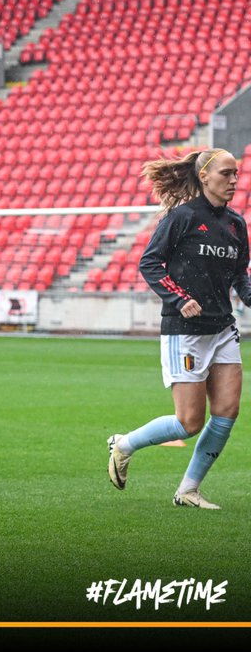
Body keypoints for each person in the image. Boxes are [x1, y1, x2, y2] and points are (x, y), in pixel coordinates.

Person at [108, 148, 248, 509]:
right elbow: (150, 263)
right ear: (204, 176)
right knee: (189, 423)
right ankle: (125, 445)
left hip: (222, 330)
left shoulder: (236, 225)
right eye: (226, 174)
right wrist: (179, 298)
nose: (234, 180)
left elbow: (239, 275)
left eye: (236, 174)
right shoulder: (182, 217)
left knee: (227, 411)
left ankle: (188, 489)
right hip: (184, 330)